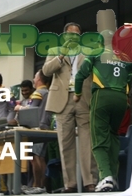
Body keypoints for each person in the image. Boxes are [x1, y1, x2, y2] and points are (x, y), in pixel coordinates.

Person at [75, 39, 132, 192]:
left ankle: (105, 176)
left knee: (98, 139)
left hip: (102, 96)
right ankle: (114, 178)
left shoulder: (96, 54)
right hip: (121, 99)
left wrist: (77, 93)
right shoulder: (125, 57)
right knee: (113, 136)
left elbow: (80, 75)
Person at [42, 23, 98, 193]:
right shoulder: (55, 50)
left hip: (83, 98)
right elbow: (46, 71)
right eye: (71, 34)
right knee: (65, 144)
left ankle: (90, 182)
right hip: (62, 100)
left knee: (87, 141)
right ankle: (70, 184)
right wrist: (60, 56)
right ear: (64, 36)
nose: (74, 37)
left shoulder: (88, 51)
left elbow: (96, 74)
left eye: (77, 34)